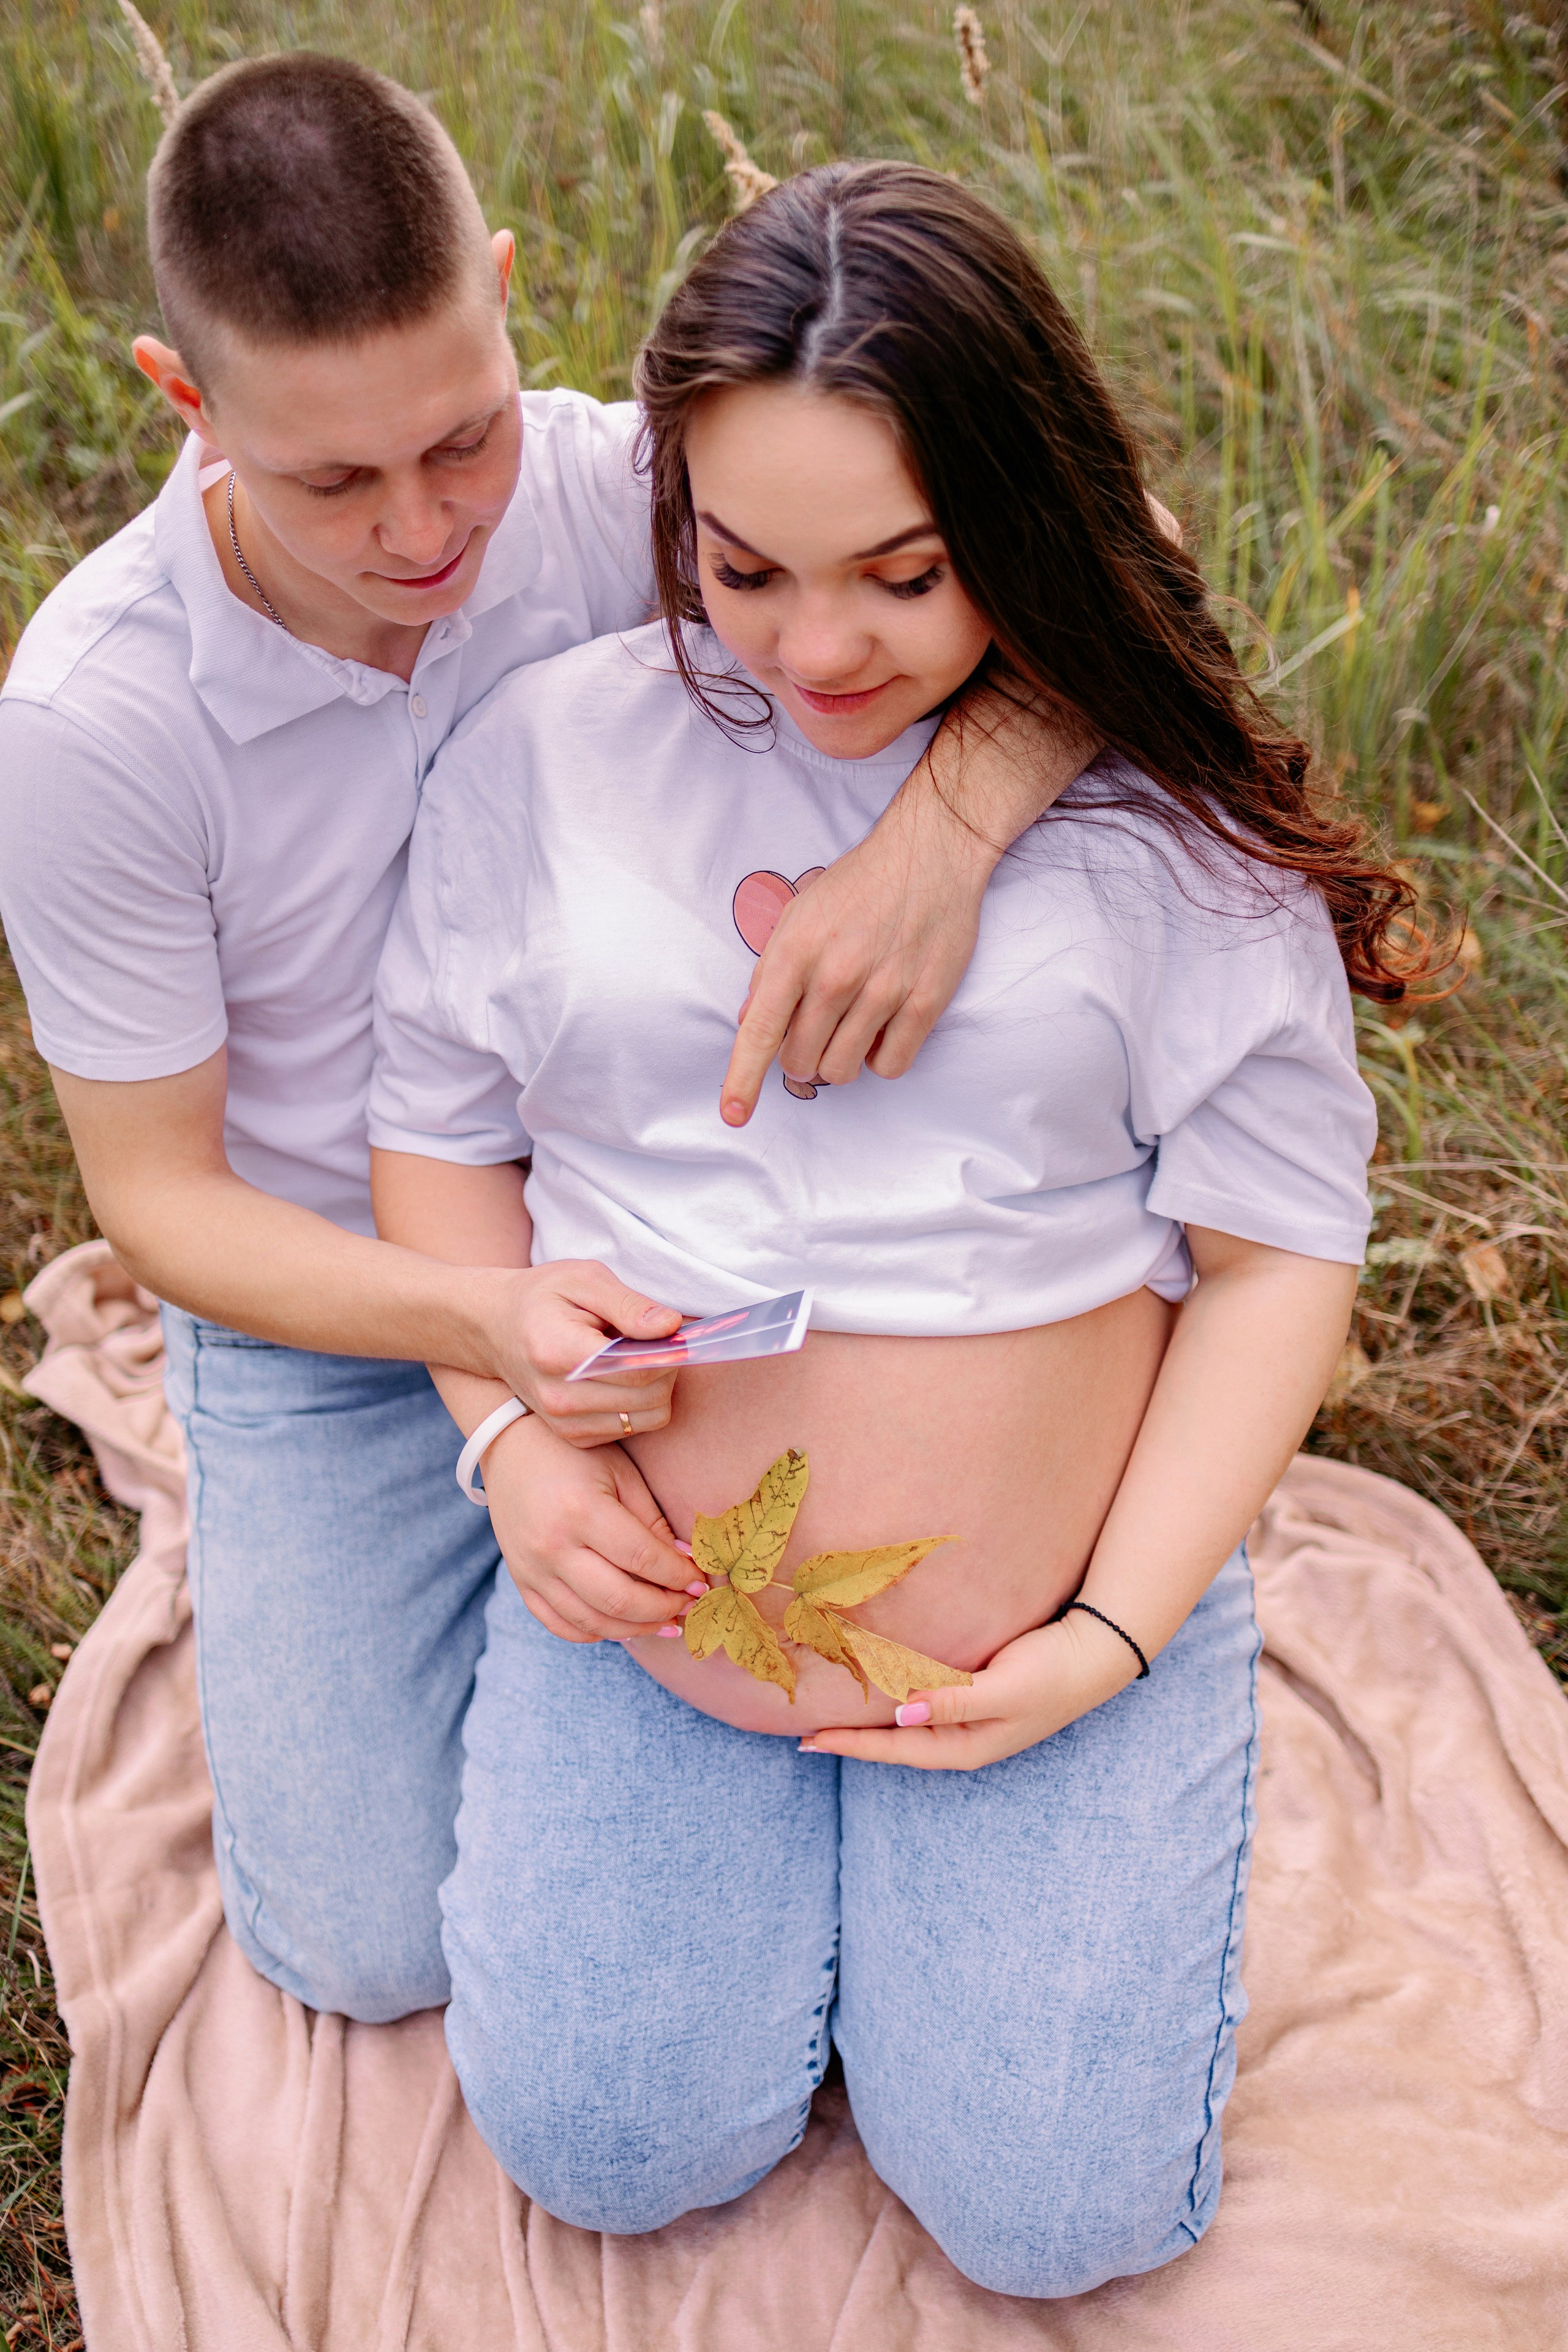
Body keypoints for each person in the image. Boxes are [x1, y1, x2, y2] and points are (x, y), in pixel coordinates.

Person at [369, 160, 1417, 2296]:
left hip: (1049, 1635)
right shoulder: (553, 756)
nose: (817, 649)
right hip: (646, 1623)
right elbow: (438, 1126)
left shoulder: (1145, 834)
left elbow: (1280, 1249)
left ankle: (1041, 1825)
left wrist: (1112, 1629)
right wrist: (502, 1442)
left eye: (908, 576)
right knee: (603, 2143)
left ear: (1013, 530)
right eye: (743, 568)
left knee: (1058, 2215)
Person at [0, 61, 1095, 2021]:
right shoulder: (95, 721)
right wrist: (491, 1388)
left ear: (506, 295)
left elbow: (1110, 560)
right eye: (333, 479)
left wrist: (949, 833)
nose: (425, 528)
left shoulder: (614, 492)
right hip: (338, 1300)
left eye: (461, 436)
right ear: (189, 402)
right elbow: (158, 1200)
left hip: (661, 1224)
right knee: (361, 1948)